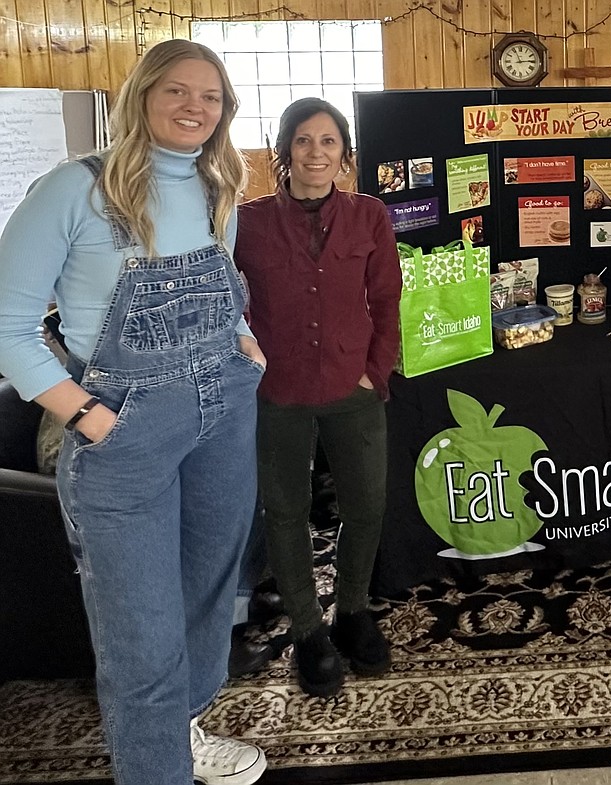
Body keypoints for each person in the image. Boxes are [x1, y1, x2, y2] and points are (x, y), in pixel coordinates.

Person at [0, 39, 267, 785]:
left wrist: (248, 344)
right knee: (141, 635)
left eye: (210, 97)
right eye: (178, 91)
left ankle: (182, 733)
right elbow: (7, 324)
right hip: (124, 436)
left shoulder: (219, 187)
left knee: (210, 596)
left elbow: (229, 289)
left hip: (225, 420)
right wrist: (86, 414)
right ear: (142, 94)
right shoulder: (72, 190)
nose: (195, 107)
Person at [234, 97, 402, 698]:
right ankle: (308, 630)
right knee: (284, 511)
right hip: (276, 391)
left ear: (345, 155)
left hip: (350, 387)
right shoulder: (245, 223)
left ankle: (352, 609)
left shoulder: (370, 216)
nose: (315, 153)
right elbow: (227, 307)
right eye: (303, 141)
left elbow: (386, 302)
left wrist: (373, 371)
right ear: (283, 152)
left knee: (367, 503)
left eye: (328, 142)